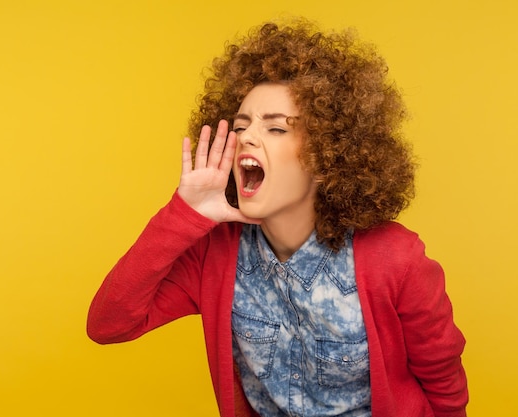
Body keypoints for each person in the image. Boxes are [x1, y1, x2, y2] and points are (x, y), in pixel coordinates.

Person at [87, 19, 468, 417]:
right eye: (241, 126)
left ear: (326, 156)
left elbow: (444, 386)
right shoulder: (216, 255)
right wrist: (185, 214)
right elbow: (108, 325)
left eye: (276, 128)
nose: (247, 137)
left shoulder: (397, 259)